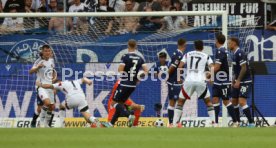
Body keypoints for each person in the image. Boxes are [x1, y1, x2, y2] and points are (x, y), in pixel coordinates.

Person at [173, 40, 216, 127]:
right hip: (201, 80)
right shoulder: (206, 56)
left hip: (189, 81)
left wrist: (178, 78)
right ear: (203, 47)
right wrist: (211, 78)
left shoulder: (188, 54)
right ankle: (214, 123)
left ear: (194, 46)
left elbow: (180, 66)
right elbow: (212, 67)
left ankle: (174, 124)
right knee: (208, 102)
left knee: (180, 102)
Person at [108, 39, 149, 127]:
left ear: (128, 46)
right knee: (121, 104)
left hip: (124, 83)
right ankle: (111, 124)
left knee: (113, 103)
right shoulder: (140, 58)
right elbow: (146, 71)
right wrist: (138, 77)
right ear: (136, 46)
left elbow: (120, 70)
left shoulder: (125, 56)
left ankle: (129, 115)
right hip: (133, 85)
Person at [36, 77, 103, 128]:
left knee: (61, 106)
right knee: (87, 116)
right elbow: (84, 79)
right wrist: (89, 81)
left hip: (72, 99)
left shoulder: (61, 84)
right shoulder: (76, 81)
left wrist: (40, 85)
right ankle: (98, 124)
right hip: (82, 98)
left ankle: (62, 125)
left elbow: (49, 86)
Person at [212, 34, 238, 127]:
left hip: (223, 80)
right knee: (215, 99)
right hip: (218, 80)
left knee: (226, 101)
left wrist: (208, 73)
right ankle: (215, 122)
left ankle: (235, 122)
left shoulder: (220, 51)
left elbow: (217, 67)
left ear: (216, 41)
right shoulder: (225, 51)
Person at [228, 37, 255, 127]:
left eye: (229, 43)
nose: (228, 44)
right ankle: (238, 122)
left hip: (245, 81)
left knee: (242, 101)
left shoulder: (240, 53)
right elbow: (237, 69)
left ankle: (251, 123)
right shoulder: (233, 53)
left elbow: (244, 68)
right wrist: (234, 80)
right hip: (237, 80)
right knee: (234, 101)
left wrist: (238, 80)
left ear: (234, 43)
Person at [29, 45, 56, 128]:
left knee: (52, 106)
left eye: (49, 51)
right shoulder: (39, 61)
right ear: (42, 52)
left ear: (51, 52)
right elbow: (30, 72)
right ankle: (38, 122)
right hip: (40, 86)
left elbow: (52, 72)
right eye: (45, 51)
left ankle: (47, 124)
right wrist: (37, 67)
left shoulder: (52, 60)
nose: (47, 52)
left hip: (49, 86)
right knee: (45, 104)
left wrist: (53, 84)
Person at [166, 38, 186, 127]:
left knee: (179, 102)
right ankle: (171, 123)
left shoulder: (178, 53)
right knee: (173, 102)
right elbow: (173, 67)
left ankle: (177, 122)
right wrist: (176, 77)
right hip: (174, 82)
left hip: (175, 81)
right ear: (184, 45)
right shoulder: (178, 54)